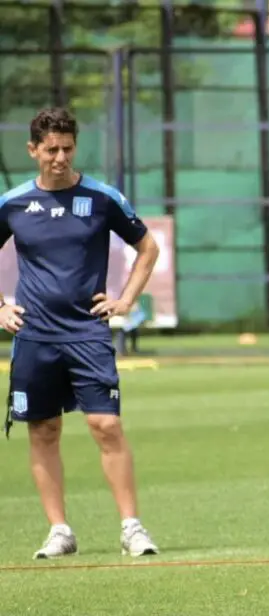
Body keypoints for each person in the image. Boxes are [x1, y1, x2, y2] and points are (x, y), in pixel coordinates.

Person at [0, 107, 160, 560]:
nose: (60, 157)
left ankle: (132, 527)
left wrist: (125, 301)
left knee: (105, 425)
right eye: (50, 149)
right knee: (43, 429)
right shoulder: (12, 203)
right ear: (33, 150)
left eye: (67, 148)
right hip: (34, 337)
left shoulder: (102, 197)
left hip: (87, 332)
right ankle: (59, 530)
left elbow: (148, 247)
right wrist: (1, 307)